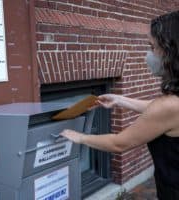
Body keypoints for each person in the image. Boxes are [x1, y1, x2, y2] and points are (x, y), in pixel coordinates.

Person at [60, 10, 179, 200]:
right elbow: (157, 109)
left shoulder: (168, 107)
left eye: (152, 46)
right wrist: (120, 100)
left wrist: (80, 137)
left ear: (171, 51)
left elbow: (119, 143)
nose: (148, 55)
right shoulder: (171, 105)